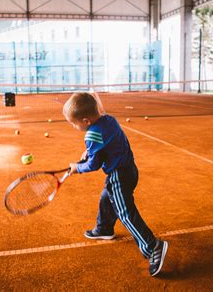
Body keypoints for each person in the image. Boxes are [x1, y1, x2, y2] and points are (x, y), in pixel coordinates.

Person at [63, 92, 168, 277]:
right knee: (107, 197)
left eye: (74, 123)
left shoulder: (92, 135)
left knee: (125, 212)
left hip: (118, 175)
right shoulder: (108, 120)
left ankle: (153, 247)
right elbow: (103, 146)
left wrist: (76, 168)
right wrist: (88, 152)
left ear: (86, 120)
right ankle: (104, 228)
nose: (73, 126)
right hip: (129, 169)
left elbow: (93, 165)